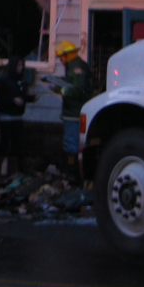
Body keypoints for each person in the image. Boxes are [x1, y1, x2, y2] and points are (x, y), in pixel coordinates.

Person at [50, 41, 96, 182]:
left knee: (71, 144)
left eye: (61, 57)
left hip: (74, 113)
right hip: (73, 112)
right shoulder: (74, 67)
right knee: (72, 143)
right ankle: (72, 173)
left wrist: (61, 90)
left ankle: (72, 174)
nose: (60, 61)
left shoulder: (77, 68)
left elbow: (79, 90)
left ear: (66, 55)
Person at [0, 55, 35, 176]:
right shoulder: (4, 79)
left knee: (16, 144)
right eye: (19, 65)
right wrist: (12, 100)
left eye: (22, 65)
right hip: (6, 117)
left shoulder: (21, 81)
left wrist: (31, 98)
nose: (21, 67)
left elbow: (22, 96)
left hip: (18, 116)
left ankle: (13, 172)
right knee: (5, 144)